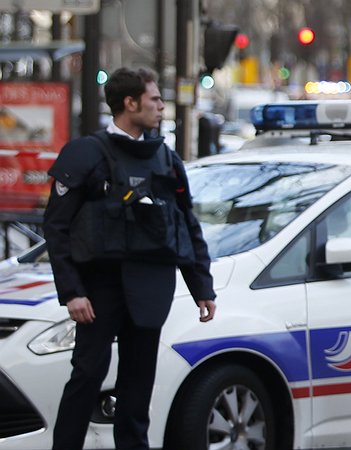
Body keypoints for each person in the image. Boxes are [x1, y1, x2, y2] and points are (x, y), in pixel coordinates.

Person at [44, 67, 217, 450]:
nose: (160, 107)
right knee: (88, 376)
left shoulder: (165, 159)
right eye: (154, 100)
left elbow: (184, 224)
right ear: (130, 103)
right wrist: (72, 291)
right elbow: (56, 228)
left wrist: (201, 286)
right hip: (99, 289)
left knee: (138, 386)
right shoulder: (86, 154)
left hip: (150, 287)